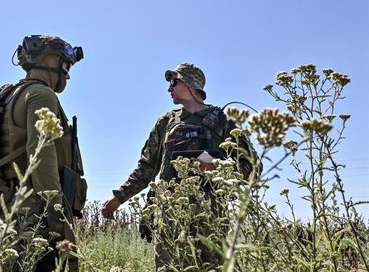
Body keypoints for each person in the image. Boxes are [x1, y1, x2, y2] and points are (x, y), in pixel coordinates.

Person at [101, 63, 259, 270]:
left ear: (191, 85)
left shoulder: (223, 122)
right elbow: (147, 167)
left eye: (173, 82)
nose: (169, 88)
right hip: (170, 216)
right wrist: (119, 198)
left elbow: (253, 169)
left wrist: (216, 169)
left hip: (210, 217)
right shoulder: (166, 122)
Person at [0, 35, 86, 272]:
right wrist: (55, 211)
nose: (67, 73)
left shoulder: (9, 95)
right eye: (65, 64)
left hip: (8, 204)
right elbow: (41, 153)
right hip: (36, 211)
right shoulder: (41, 94)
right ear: (50, 60)